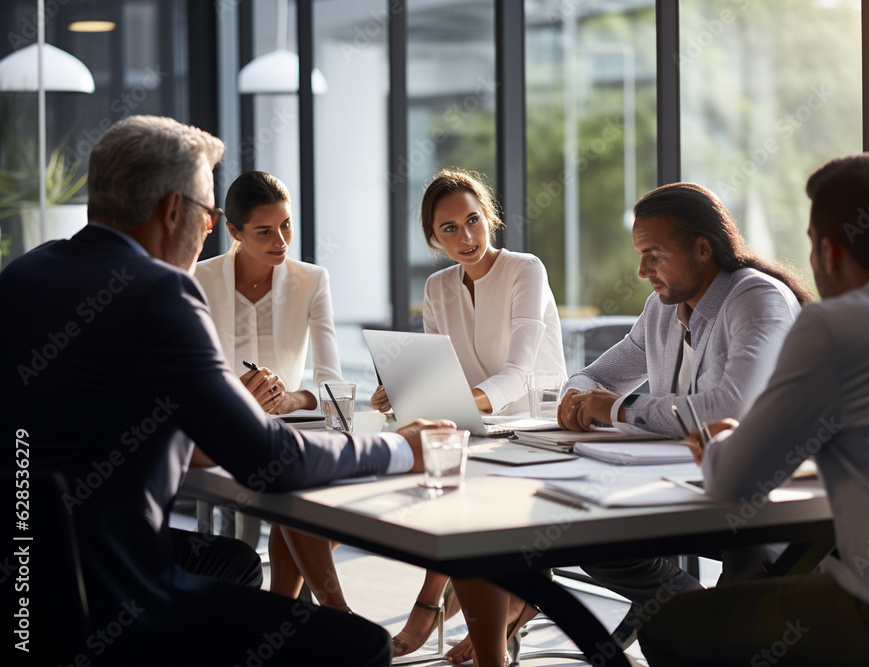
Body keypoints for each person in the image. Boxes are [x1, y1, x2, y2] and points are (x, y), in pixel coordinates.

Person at [0, 115, 451, 667]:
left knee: (234, 561)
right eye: (210, 215)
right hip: (114, 600)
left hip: (26, 583)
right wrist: (404, 447)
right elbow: (269, 461)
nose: (212, 229)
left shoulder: (20, 276)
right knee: (360, 645)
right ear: (173, 209)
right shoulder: (160, 292)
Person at [638, 152, 869, 667]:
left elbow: (734, 484)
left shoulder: (834, 326)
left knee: (670, 625)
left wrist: (715, 441)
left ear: (827, 252)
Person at [558, 182, 812, 602]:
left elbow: (732, 408)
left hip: (759, 505)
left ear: (702, 249)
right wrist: (578, 398)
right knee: (597, 544)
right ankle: (696, 619)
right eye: (640, 255)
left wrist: (618, 408)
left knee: (746, 594)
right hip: (683, 493)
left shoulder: (756, 297)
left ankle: (699, 629)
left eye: (654, 254)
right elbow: (595, 375)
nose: (642, 271)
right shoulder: (660, 308)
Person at [371, 168, 566, 666]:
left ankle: (439, 604)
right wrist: (404, 389)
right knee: (437, 475)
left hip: (533, 428)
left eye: (474, 221)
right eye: (450, 229)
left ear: (491, 218)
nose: (467, 237)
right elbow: (445, 370)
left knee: (454, 482)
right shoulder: (438, 288)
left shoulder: (526, 269)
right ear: (433, 237)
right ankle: (491, 608)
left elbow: (520, 374)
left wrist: (458, 401)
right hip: (478, 428)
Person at [195, 171, 353, 612]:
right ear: (233, 231)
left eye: (287, 225)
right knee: (253, 521)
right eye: (264, 231)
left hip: (286, 435)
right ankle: (310, 615)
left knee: (302, 500)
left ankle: (296, 614)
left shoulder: (311, 280)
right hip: (221, 436)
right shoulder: (199, 280)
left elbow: (334, 386)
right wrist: (235, 397)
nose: (281, 239)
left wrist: (291, 400)